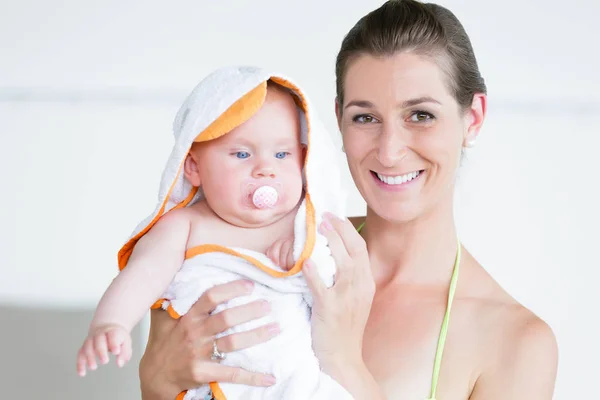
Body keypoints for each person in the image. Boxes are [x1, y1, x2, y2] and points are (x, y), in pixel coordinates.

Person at [137, 1, 559, 399]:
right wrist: (155, 380)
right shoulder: (254, 247)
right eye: (365, 118)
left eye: (421, 115)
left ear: (474, 118)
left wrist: (343, 360)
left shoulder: (516, 342)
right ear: (337, 121)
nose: (390, 151)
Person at [76, 68, 352, 399]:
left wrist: (306, 255)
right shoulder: (185, 226)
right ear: (193, 167)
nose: (266, 168)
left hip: (296, 384)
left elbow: (335, 291)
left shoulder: (305, 225)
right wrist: (111, 324)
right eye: (242, 154)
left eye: (282, 154)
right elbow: (143, 275)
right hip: (212, 384)